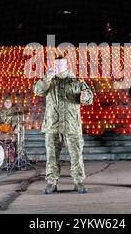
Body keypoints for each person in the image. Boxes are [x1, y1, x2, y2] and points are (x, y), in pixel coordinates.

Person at [34, 56, 93, 194]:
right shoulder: (49, 81)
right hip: (52, 125)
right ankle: (51, 182)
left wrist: (85, 97)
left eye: (61, 65)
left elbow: (89, 98)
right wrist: (47, 77)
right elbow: (37, 90)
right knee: (52, 155)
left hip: (72, 125)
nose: (58, 67)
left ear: (67, 66)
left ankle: (78, 181)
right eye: (56, 65)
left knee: (76, 155)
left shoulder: (77, 82)